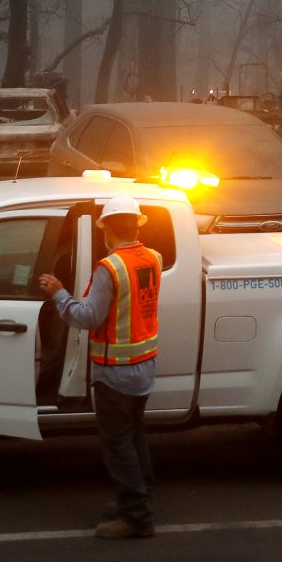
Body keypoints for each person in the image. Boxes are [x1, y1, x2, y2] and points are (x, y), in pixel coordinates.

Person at [38, 196, 162, 539]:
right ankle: (139, 495)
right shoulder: (152, 258)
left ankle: (137, 516)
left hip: (116, 371)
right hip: (143, 367)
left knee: (117, 444)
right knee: (134, 436)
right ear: (138, 224)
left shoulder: (110, 267)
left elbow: (88, 317)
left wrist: (59, 293)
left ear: (106, 227)